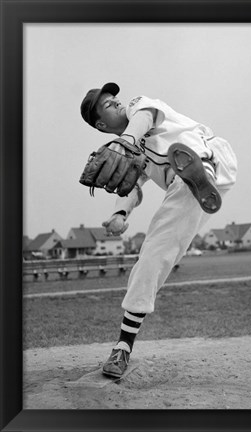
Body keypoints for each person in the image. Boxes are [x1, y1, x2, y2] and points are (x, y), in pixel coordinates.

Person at [80, 82, 238, 378]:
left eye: (114, 98)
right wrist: (119, 213)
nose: (116, 102)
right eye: (106, 104)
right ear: (101, 124)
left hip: (202, 151)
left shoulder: (138, 108)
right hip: (194, 181)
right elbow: (131, 184)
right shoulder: (133, 150)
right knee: (158, 253)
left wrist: (125, 139)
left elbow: (146, 117)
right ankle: (200, 175)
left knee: (153, 250)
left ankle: (123, 346)